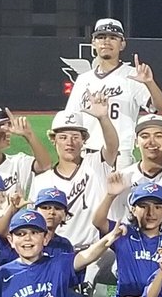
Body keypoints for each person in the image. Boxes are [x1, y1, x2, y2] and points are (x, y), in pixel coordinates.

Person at [63, 18, 162, 168]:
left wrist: (150, 83)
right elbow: (71, 118)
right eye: (101, 37)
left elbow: (161, 107)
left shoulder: (133, 75)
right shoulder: (83, 79)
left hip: (120, 155)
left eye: (113, 38)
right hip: (86, 153)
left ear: (122, 44)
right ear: (93, 43)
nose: (106, 42)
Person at [28, 98, 119, 253]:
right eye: (63, 137)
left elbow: (112, 147)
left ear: (83, 140)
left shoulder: (96, 164)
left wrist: (103, 118)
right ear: (53, 140)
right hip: (56, 251)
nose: (69, 142)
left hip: (94, 251)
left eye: (75, 137)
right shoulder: (41, 180)